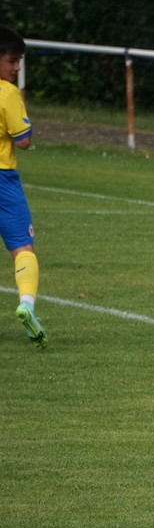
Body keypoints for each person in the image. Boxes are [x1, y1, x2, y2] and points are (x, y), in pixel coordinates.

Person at [0, 26, 46, 349]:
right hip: (4, 180)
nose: (17, 68)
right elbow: (24, 140)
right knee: (23, 250)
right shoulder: (8, 94)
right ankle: (27, 306)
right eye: (12, 61)